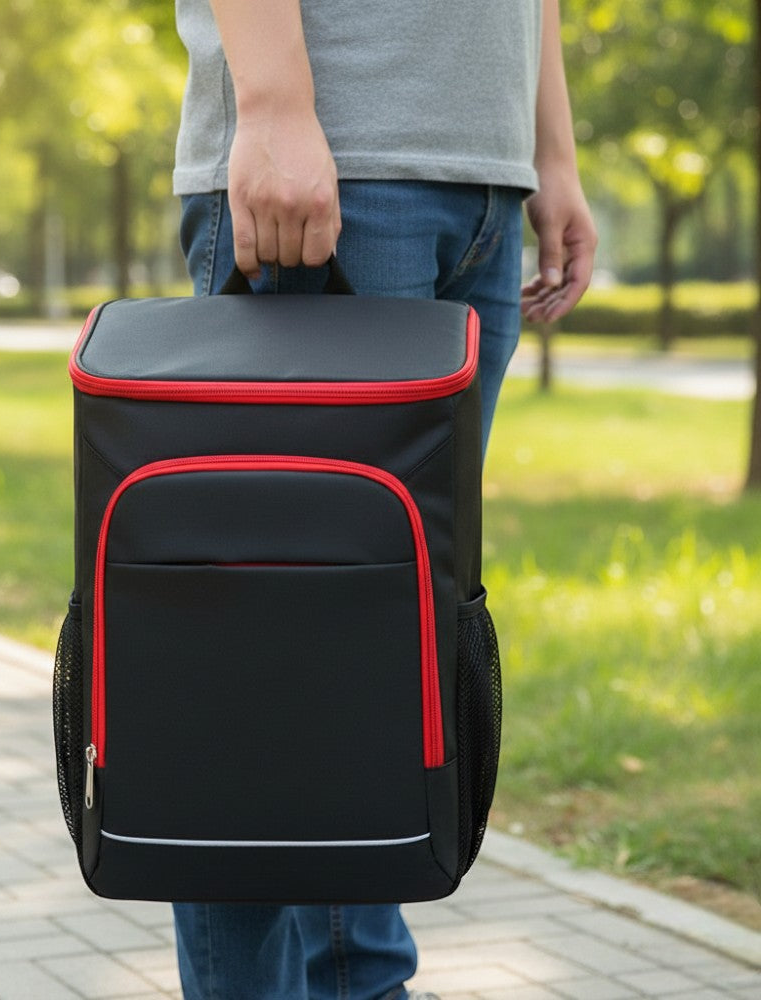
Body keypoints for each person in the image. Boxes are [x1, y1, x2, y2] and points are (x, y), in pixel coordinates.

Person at [169, 0, 597, 997]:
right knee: (271, 655)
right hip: (334, 160)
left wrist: (552, 154)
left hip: (483, 185)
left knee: (397, 642)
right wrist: (273, 105)